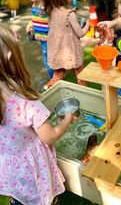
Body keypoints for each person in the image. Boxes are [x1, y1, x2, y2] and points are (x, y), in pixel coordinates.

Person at [0, 23, 79, 205]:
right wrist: (67, 119)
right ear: (12, 56)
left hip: (11, 173)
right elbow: (50, 137)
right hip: (32, 173)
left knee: (18, 199)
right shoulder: (26, 102)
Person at [42, 0, 90, 90]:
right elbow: (80, 34)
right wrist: (88, 24)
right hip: (70, 51)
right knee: (80, 72)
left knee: (58, 74)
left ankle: (48, 88)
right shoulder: (70, 14)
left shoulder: (50, 10)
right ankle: (83, 91)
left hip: (56, 49)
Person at [23, 0, 54, 82]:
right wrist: (32, 23)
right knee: (47, 61)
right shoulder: (35, 5)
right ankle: (54, 79)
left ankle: (54, 80)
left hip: (50, 40)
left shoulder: (47, 5)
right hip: (42, 39)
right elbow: (37, 18)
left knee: (50, 62)